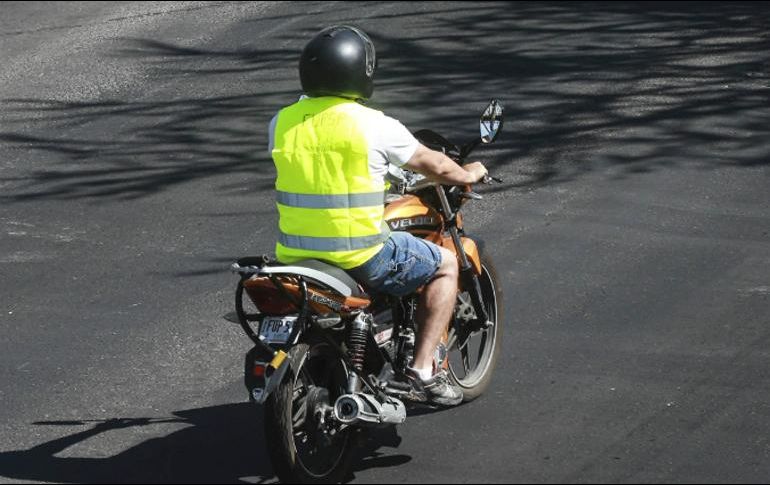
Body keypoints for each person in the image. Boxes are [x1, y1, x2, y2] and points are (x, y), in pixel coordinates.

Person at [268, 25, 488, 406]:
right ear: (360, 72)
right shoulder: (374, 125)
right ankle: (424, 371)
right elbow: (433, 163)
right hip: (361, 255)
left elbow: (323, 165)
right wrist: (468, 172)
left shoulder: (282, 122)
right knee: (446, 264)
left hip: (295, 257)